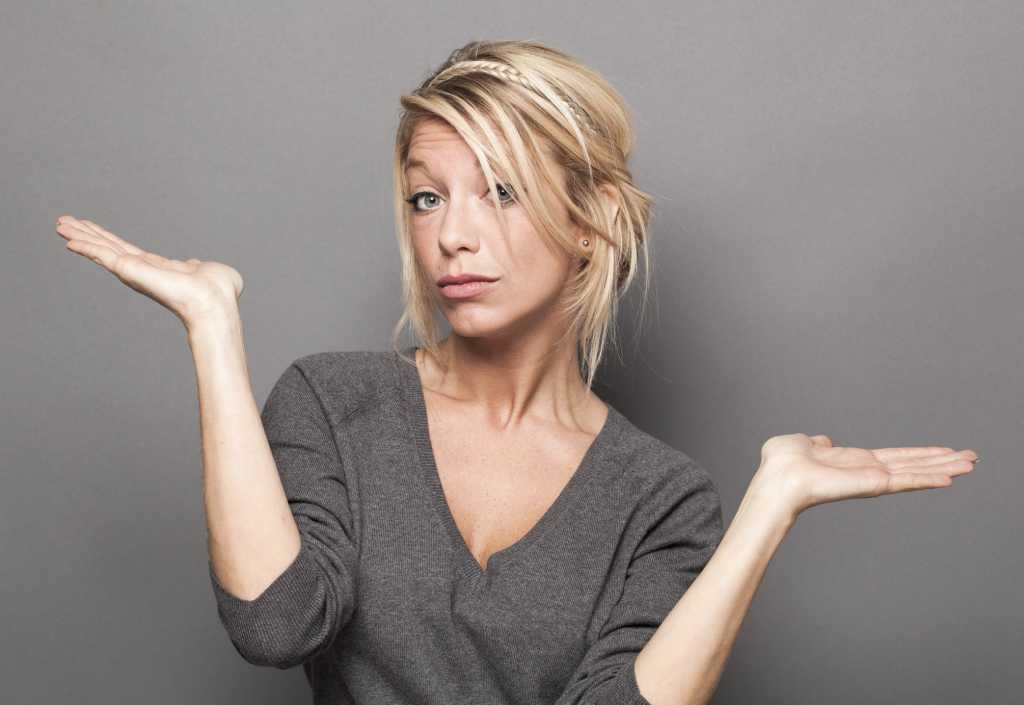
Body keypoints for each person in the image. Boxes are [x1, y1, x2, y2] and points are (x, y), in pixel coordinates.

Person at [56, 39, 979, 705]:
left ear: (594, 220)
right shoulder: (335, 403)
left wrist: (770, 504)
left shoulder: (661, 496)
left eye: (500, 190)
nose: (453, 234)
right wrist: (213, 327)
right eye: (427, 197)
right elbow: (274, 624)